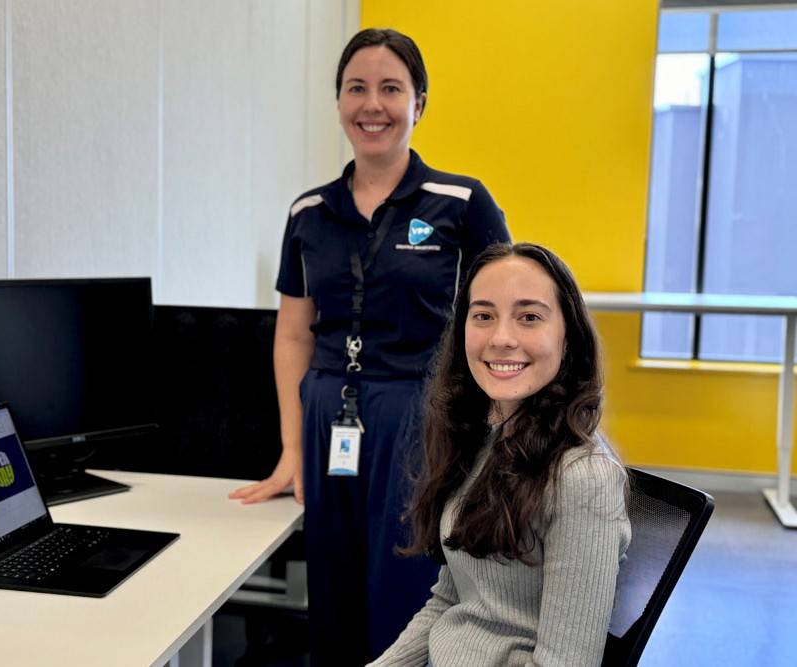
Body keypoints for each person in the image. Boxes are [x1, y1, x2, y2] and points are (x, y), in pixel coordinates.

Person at [229, 27, 511, 664]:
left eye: (391, 88)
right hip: (331, 412)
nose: (372, 105)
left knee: (406, 590)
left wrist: (493, 435)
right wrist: (292, 448)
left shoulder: (462, 203)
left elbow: (504, 324)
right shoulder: (308, 213)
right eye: (357, 88)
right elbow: (294, 333)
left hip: (420, 413)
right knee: (330, 588)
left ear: (419, 103)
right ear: (338, 102)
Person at [369, 242, 631, 667]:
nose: (502, 338)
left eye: (529, 317)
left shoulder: (583, 479)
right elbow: (450, 601)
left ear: (569, 339)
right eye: (484, 316)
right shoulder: (489, 439)